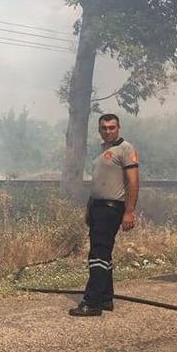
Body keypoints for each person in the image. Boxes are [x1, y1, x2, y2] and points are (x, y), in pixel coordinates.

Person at [69, 113, 139, 317]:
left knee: (98, 254)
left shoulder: (125, 149)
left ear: (119, 128)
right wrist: (89, 209)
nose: (108, 131)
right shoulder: (102, 151)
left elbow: (133, 182)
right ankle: (106, 298)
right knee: (101, 254)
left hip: (111, 208)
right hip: (97, 207)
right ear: (99, 130)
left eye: (112, 127)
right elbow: (97, 184)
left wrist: (129, 211)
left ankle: (92, 303)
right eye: (104, 128)